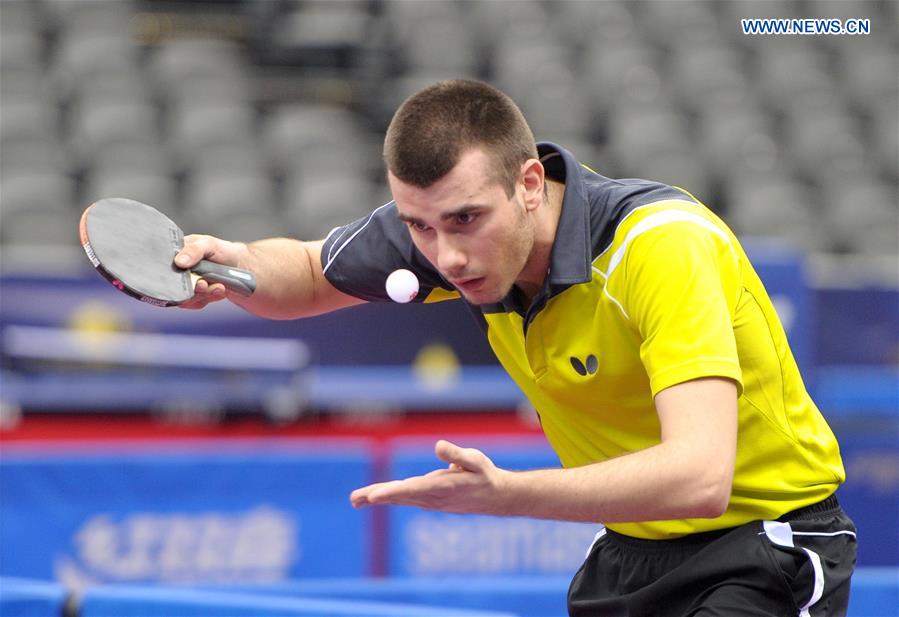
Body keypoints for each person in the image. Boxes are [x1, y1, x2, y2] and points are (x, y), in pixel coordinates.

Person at [175, 79, 856, 616]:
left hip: (763, 544)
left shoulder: (658, 248)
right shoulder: (444, 229)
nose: (445, 253)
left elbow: (700, 477)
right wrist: (232, 265)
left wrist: (504, 493)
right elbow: (304, 272)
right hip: (628, 548)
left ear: (528, 185)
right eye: (420, 225)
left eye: (465, 220)